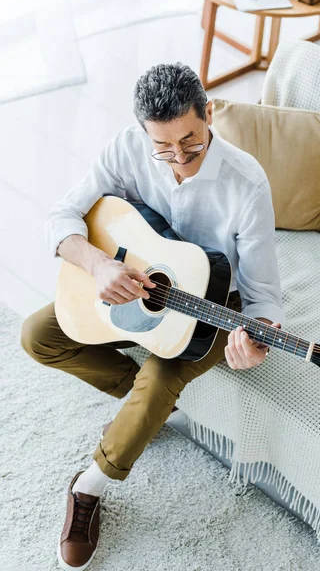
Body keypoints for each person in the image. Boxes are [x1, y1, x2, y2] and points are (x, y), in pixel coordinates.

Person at [20, 62, 284, 570]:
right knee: (38, 336)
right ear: (144, 132)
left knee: (164, 370)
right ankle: (145, 408)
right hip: (131, 281)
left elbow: (264, 299)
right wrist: (98, 265)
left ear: (208, 114)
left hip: (212, 301)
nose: (178, 158)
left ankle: (90, 487)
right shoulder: (126, 148)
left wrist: (258, 341)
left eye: (191, 141)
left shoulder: (247, 184)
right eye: (163, 147)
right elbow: (62, 216)